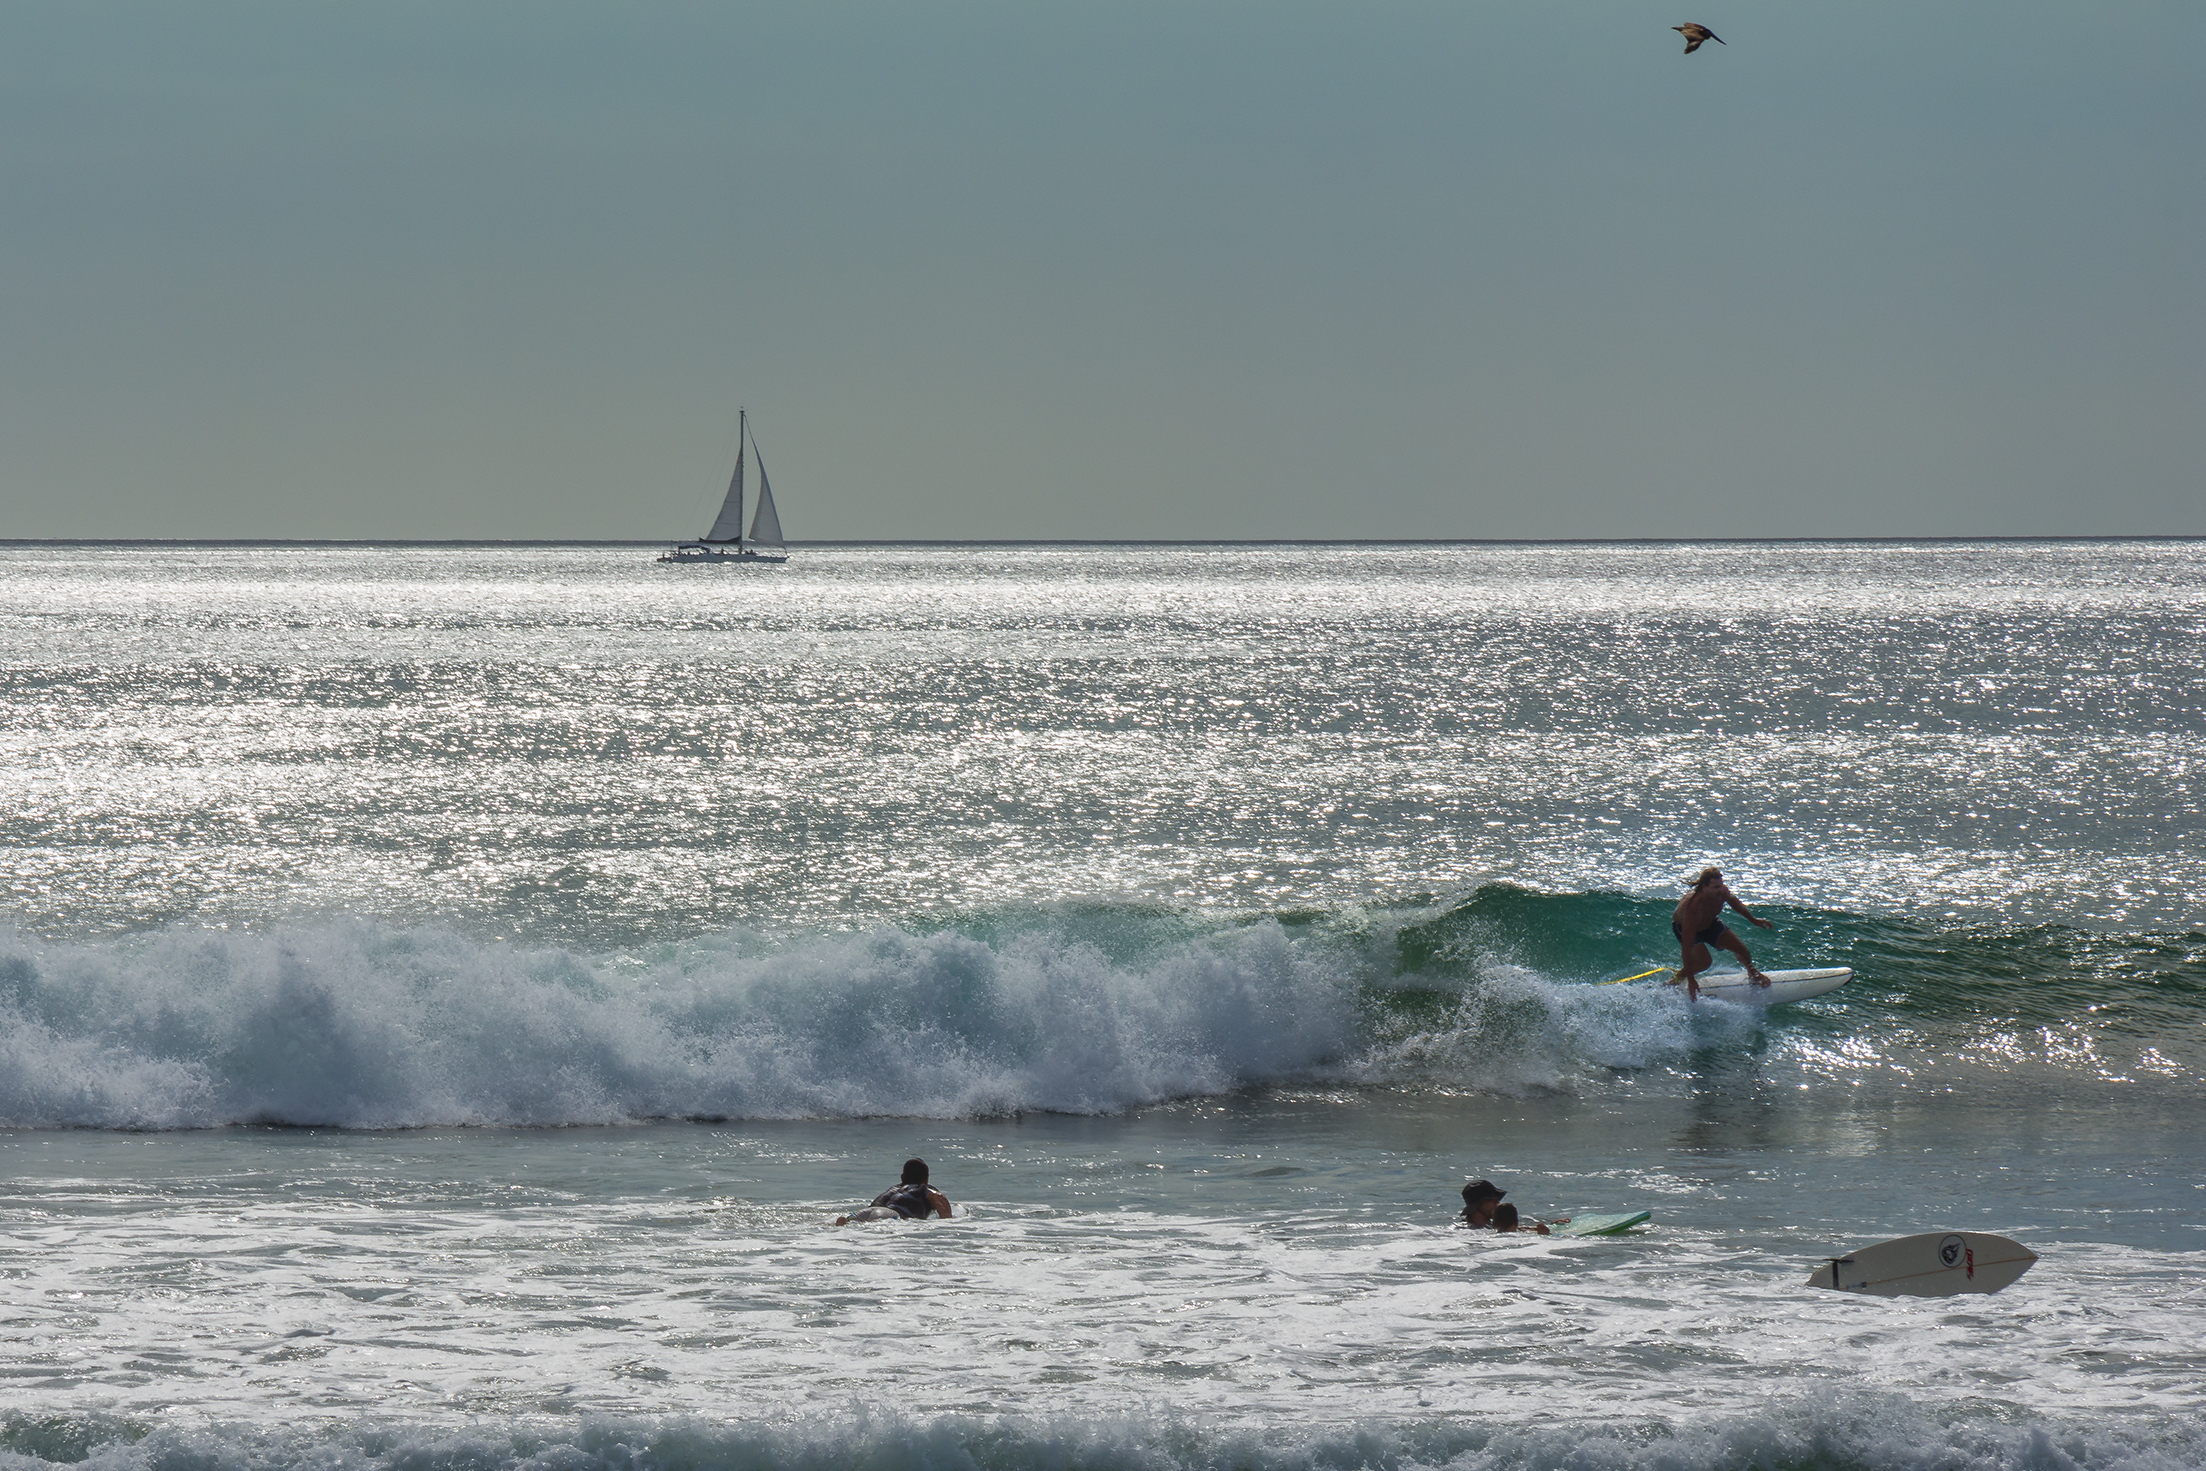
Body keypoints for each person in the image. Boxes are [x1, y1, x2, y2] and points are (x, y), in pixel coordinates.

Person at [1670, 865, 1774, 1001]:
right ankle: (1677, 979)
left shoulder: (1722, 892)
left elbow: (1735, 903)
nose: (1721, 890)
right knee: (1704, 962)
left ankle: (1753, 974)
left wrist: (1753, 920)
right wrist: (1691, 981)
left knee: (1742, 950)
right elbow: (1686, 948)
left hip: (1710, 923)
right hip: (1686, 928)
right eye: (1716, 887)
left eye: (1721, 885)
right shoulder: (1693, 907)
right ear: (1704, 887)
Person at [835, 1157, 954, 1225]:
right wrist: (947, 1221)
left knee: (850, 1224)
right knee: (875, 1228)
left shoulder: (894, 1188)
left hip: (867, 1210)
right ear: (926, 1179)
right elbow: (939, 1198)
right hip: (890, 1214)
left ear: (902, 1177)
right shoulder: (924, 1188)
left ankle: (843, 1221)